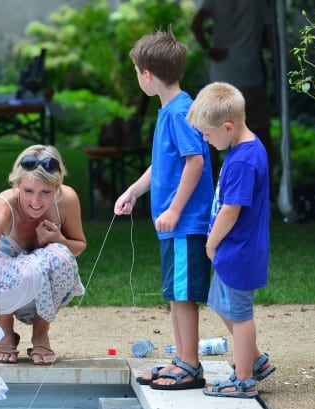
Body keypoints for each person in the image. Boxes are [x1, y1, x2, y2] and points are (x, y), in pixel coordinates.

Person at [114, 32, 214, 389]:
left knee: (183, 295)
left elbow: (195, 162)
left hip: (185, 223)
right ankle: (181, 359)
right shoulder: (171, 110)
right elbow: (162, 165)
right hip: (174, 225)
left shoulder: (180, 112)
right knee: (175, 293)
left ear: (146, 75)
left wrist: (174, 209)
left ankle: (190, 365)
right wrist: (134, 190)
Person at [0, 144, 86, 365]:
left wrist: (59, 240)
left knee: (62, 256)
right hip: (1, 279)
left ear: (57, 187)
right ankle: (5, 327)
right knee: (14, 269)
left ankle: (41, 332)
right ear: (17, 184)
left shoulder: (67, 200)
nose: (36, 202)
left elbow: (79, 245)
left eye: (46, 192)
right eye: (28, 191)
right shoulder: (3, 205)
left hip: (39, 280)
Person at [186, 82, 275, 398]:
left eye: (208, 135)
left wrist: (211, 243)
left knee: (239, 315)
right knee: (221, 304)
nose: (207, 142)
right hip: (235, 249)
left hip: (238, 249)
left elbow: (231, 211)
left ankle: (244, 379)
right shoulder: (245, 149)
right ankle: (255, 360)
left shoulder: (242, 161)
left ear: (228, 126)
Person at [191, 0, 276, 192]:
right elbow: (268, 35)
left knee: (210, 136)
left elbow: (196, 25)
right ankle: (265, 190)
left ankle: (209, 191)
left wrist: (208, 48)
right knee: (260, 133)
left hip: (222, 73)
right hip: (250, 73)